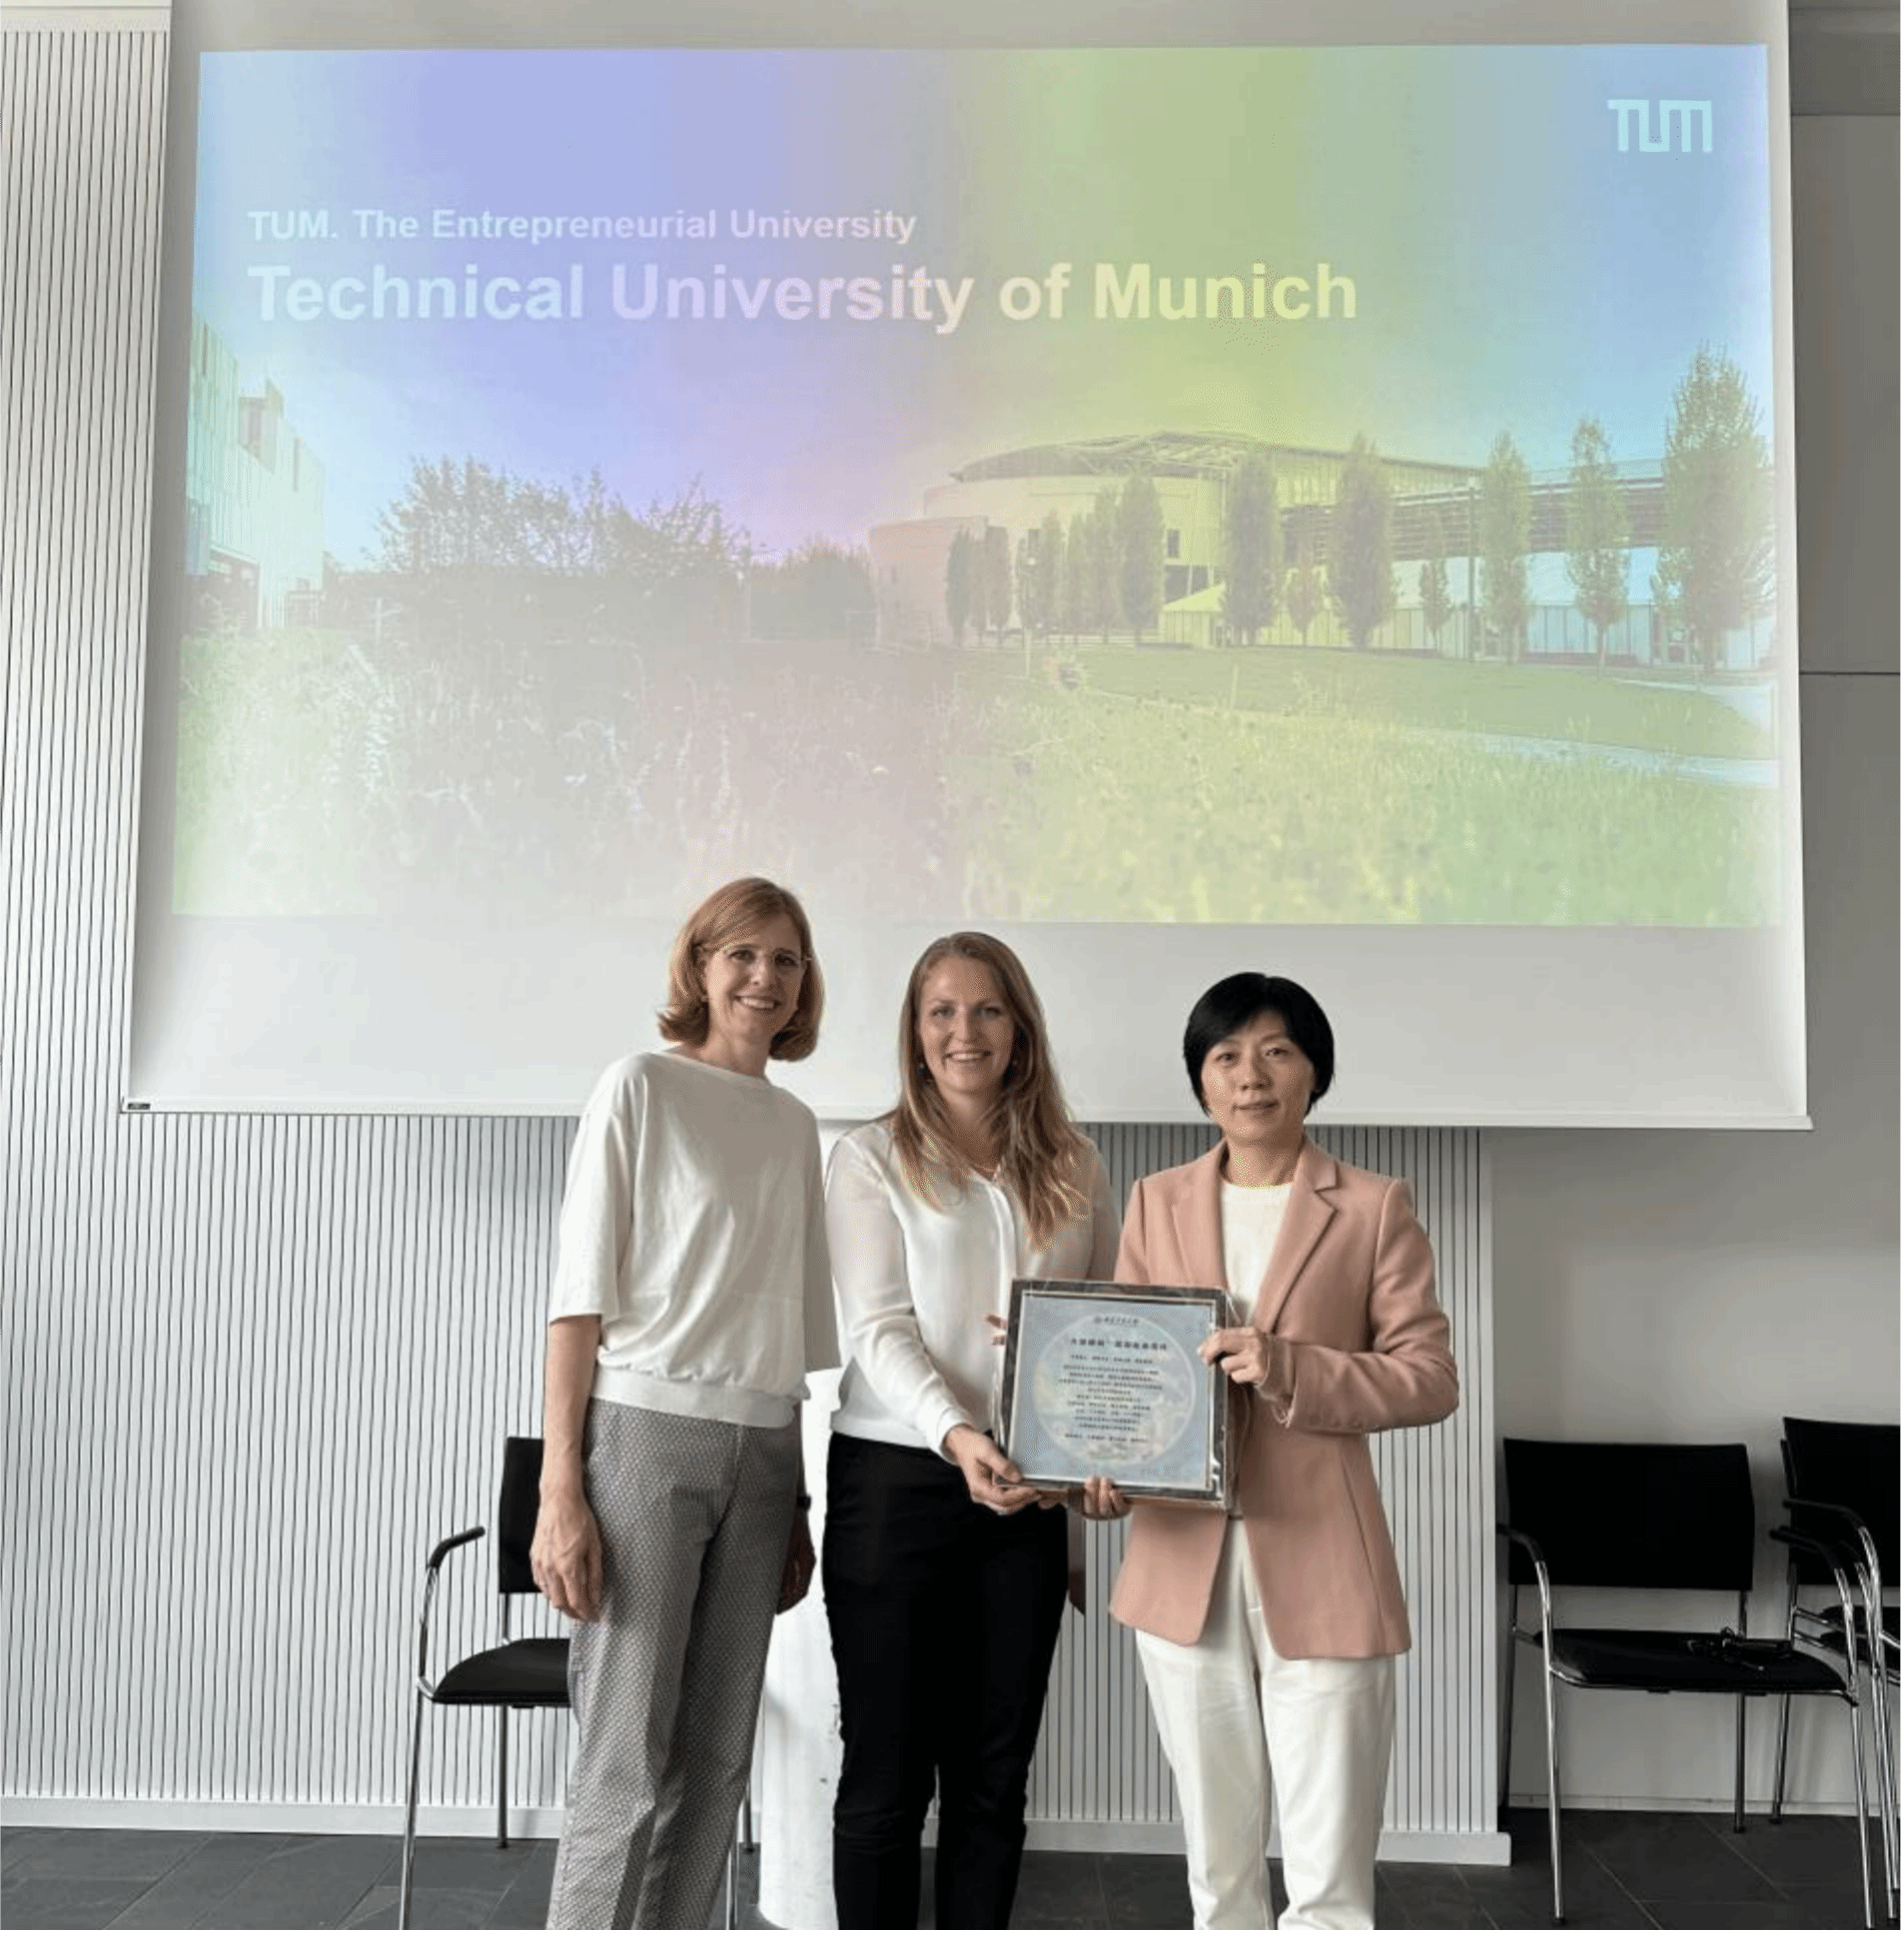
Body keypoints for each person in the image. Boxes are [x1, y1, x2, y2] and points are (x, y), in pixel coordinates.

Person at [1081, 973, 1457, 1932]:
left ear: (1314, 1072)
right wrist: (1094, 1463)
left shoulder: (1373, 1205)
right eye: (1226, 1056)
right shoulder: (1155, 1201)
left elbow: (1429, 1378)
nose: (1251, 1075)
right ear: (1201, 1082)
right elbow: (1127, 1373)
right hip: (1180, 1562)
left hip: (1326, 1559)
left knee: (1330, 1883)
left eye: (1277, 1052)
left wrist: (1292, 1368)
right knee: (1219, 1874)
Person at [530, 877, 838, 1931]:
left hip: (765, 1455)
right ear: (700, 966)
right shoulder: (641, 1087)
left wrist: (797, 1504)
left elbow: (792, 1338)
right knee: (625, 1760)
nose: (764, 977)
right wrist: (560, 1492)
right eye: (742, 953)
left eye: (786, 959)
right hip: (647, 1442)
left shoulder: (795, 1124)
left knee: (716, 1763)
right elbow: (577, 1305)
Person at [822, 932, 1119, 1930]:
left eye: (988, 1009)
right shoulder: (868, 1158)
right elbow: (877, 1329)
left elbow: (1105, 1327)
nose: (965, 1031)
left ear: (1020, 1028)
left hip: (1029, 1496)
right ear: (914, 1032)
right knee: (886, 1778)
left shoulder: (1076, 1162)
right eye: (941, 1011)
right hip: (895, 1486)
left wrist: (1085, 1480)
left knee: (994, 1782)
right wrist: (958, 1433)